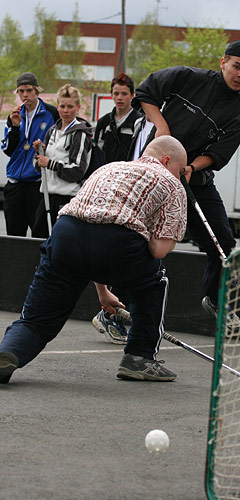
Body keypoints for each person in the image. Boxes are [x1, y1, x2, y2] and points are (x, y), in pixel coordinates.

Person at [0, 135, 187, 385]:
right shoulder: (171, 183)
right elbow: (159, 250)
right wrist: (147, 233)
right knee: (155, 280)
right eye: (181, 169)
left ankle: (9, 351)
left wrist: (103, 292)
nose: (182, 175)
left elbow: (91, 225)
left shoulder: (109, 167)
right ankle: (139, 357)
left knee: (38, 317)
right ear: (166, 160)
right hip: (117, 243)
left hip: (67, 234)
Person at [131, 40, 240, 323]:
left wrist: (190, 166)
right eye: (236, 66)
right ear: (223, 62)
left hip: (194, 181)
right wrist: (162, 128)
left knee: (223, 242)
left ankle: (215, 299)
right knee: (136, 238)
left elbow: (219, 153)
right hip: (155, 172)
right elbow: (145, 93)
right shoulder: (189, 77)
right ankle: (117, 310)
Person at [92, 73, 142, 345]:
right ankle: (109, 312)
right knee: (108, 250)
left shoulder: (139, 122)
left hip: (129, 192)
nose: (120, 98)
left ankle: (114, 313)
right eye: (116, 93)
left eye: (124, 93)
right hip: (105, 190)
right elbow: (96, 155)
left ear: (132, 95)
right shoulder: (103, 123)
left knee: (125, 252)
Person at [1, 72, 59, 237]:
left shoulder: (51, 113)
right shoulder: (15, 115)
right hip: (15, 182)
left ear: (37, 91)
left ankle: (37, 263)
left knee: (39, 233)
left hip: (37, 183)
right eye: (21, 91)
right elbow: (8, 149)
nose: (25, 95)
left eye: (29, 90)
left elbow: (58, 144)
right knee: (14, 234)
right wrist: (14, 127)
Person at [32, 83, 93, 238]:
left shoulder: (80, 134)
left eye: (70, 106)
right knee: (37, 236)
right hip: (46, 195)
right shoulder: (52, 131)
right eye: (62, 106)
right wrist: (38, 154)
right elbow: (39, 167)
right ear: (57, 106)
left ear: (78, 107)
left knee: (61, 241)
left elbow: (78, 170)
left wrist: (50, 163)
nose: (66, 111)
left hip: (66, 198)